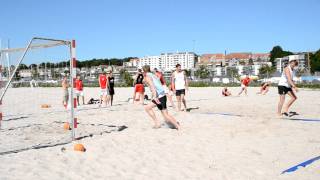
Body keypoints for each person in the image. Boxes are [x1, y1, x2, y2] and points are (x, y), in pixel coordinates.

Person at [142, 65, 180, 130]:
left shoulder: (148, 76)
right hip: (161, 95)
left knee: (165, 114)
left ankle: (178, 126)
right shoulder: (153, 74)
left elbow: (153, 87)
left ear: (144, 71)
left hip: (159, 96)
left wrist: (155, 97)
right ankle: (159, 123)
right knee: (150, 109)